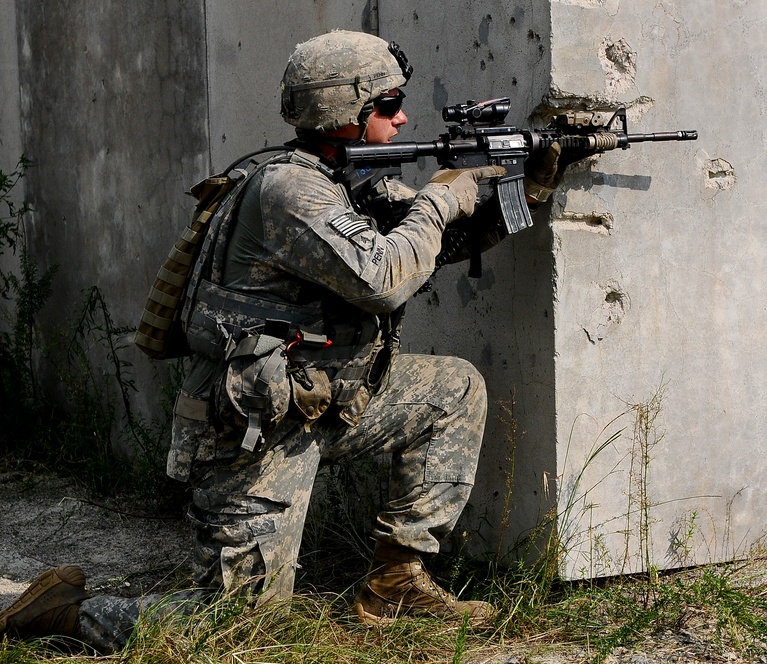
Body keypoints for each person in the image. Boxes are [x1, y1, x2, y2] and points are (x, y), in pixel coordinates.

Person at [0, 30, 563, 651]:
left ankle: (397, 581)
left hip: (324, 400)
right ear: (343, 110)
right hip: (252, 426)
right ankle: (63, 612)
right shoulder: (290, 191)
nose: (401, 115)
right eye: (387, 103)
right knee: (241, 623)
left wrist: (529, 185)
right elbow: (384, 280)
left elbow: (437, 249)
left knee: (451, 390)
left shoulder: (348, 177)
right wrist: (436, 200)